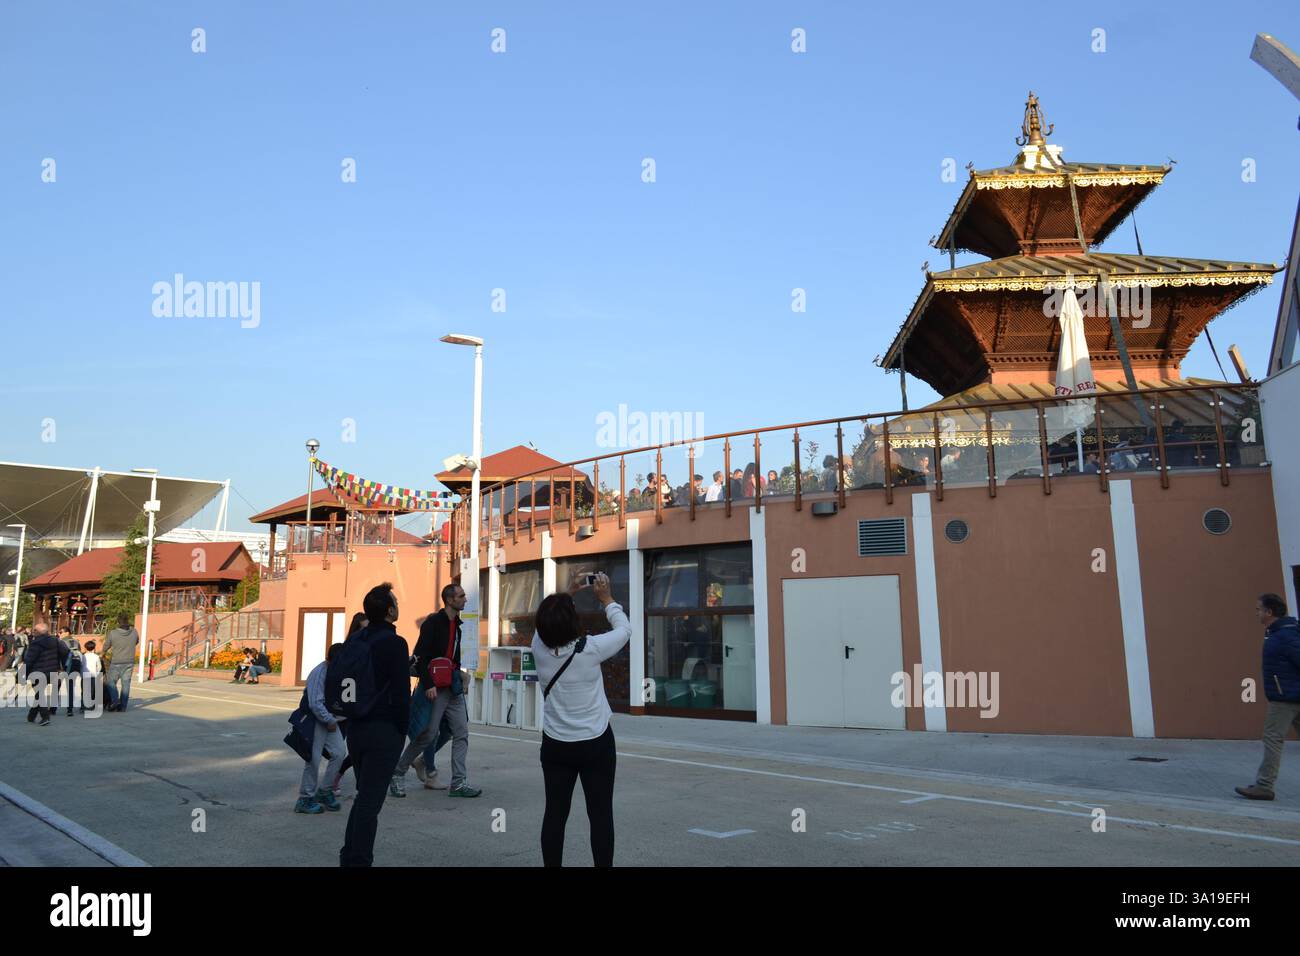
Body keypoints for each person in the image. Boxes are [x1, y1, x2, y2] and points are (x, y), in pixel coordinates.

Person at [532, 572, 631, 867]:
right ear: (572, 622)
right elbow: (625, 629)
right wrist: (606, 599)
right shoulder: (592, 648)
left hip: (555, 745)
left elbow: (546, 621)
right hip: (596, 744)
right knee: (600, 815)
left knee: (555, 814)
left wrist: (568, 592)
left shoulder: (538, 647)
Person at [338, 582, 411, 867]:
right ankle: (358, 861)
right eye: (395, 600)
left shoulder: (355, 640)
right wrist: (402, 730)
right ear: (390, 610)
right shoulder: (395, 643)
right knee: (370, 803)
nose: (397, 603)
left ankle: (349, 856)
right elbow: (402, 693)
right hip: (384, 730)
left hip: (356, 729)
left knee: (363, 797)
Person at [391, 583, 482, 798]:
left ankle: (458, 783)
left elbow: (453, 659)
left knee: (461, 733)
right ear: (450, 600)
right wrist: (429, 684)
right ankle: (398, 773)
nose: (465, 600)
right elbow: (420, 655)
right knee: (427, 735)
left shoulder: (458, 626)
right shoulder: (433, 623)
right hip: (434, 688)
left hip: (453, 687)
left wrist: (462, 674)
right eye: (461, 596)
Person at [1235, 594, 1300, 800]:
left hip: (1286, 698)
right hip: (1288, 694)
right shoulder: (1278, 633)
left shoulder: (1285, 636)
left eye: (1259, 609)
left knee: (1272, 738)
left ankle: (1264, 785)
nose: (1257, 613)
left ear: (1269, 612)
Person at [295, 642, 346, 814]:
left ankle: (325, 791)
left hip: (330, 720)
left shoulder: (338, 671)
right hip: (315, 719)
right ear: (331, 660)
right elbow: (315, 703)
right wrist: (329, 720)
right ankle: (305, 798)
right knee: (313, 760)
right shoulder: (320, 672)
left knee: (339, 753)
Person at [23, 624, 68, 726]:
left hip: (38, 672)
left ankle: (45, 717)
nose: (33, 631)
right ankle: (31, 716)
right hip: (53, 670)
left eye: (34, 630)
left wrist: (22, 674)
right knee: (39, 694)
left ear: (38, 632)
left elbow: (29, 660)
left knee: (39, 694)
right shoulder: (55, 640)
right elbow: (65, 651)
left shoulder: (36, 643)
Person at [102, 613, 139, 712]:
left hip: (116, 662)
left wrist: (103, 653)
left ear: (118, 622)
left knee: (110, 682)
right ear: (128, 621)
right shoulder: (134, 632)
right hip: (129, 661)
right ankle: (123, 707)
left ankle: (115, 700)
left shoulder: (113, 633)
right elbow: (136, 641)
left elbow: (106, 645)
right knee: (126, 684)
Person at [59, 629, 82, 717]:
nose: (59, 634)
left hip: (65, 666)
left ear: (67, 633)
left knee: (57, 685)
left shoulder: (62, 642)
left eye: (61, 632)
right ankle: (70, 709)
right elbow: (79, 653)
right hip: (75, 665)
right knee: (71, 687)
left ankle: (53, 708)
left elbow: (59, 655)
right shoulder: (76, 641)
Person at [80, 640, 101, 714]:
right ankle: (90, 706)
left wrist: (81, 674)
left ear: (85, 648)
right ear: (94, 648)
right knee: (92, 691)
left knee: (84, 692)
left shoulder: (82, 656)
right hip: (93, 676)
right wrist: (97, 673)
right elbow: (99, 667)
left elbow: (81, 666)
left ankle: (83, 707)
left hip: (84, 676)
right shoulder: (96, 657)